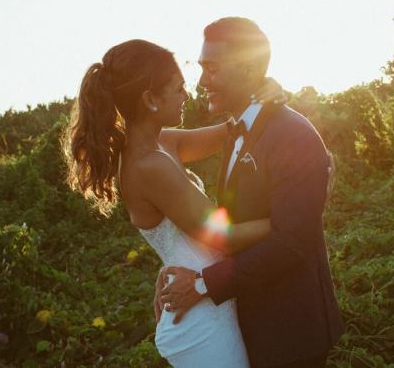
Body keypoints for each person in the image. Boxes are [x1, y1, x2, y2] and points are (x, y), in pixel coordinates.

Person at [63, 39, 287, 367]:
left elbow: (231, 131)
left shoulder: (160, 144)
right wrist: (289, 218)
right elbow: (223, 237)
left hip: (204, 300)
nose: (187, 95)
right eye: (178, 88)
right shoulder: (149, 165)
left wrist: (262, 96)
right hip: (199, 322)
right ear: (150, 99)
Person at [158, 17, 344, 368]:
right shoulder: (237, 130)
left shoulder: (292, 134)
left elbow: (291, 243)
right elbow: (234, 222)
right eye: (202, 68)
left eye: (212, 69)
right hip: (251, 321)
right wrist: (177, 264)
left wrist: (201, 284)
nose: (202, 82)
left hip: (290, 331)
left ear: (248, 68)